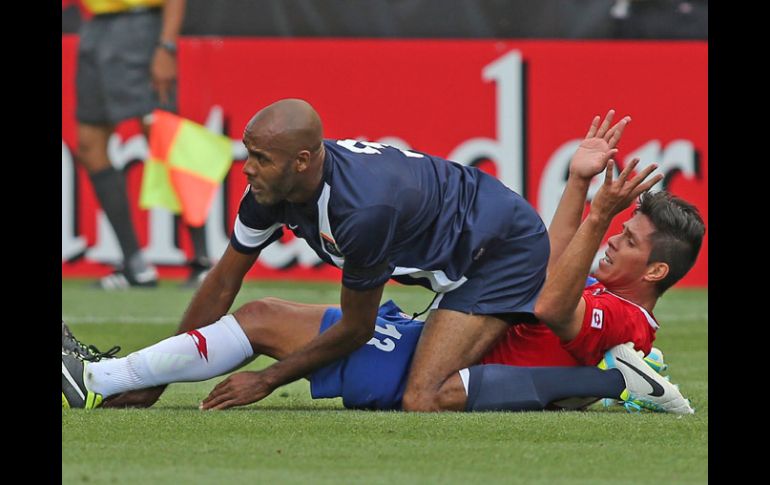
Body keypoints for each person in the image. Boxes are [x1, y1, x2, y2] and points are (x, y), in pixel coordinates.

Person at [62, 110, 701, 414]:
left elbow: (548, 301)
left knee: (427, 395)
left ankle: (623, 388)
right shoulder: (282, 188)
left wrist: (269, 379)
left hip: (474, 282)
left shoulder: (626, 321)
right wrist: (576, 184)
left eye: (631, 240)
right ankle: (120, 379)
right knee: (258, 312)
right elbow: (552, 268)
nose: (616, 240)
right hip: (453, 306)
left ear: (656, 274)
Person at [74, 0, 211, 289]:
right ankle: (135, 265)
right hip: (95, 27)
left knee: (163, 137)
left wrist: (167, 46)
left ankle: (204, 262)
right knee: (89, 143)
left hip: (141, 26)